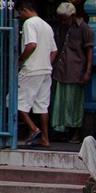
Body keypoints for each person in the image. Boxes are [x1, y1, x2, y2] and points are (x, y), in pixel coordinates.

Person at [15, 0, 58, 147]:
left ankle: (33, 128)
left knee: (14, 101)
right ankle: (45, 139)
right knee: (42, 106)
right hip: (46, 71)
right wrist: (46, 63)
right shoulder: (47, 26)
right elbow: (54, 51)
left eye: (20, 12)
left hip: (31, 70)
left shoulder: (29, 23)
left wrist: (21, 60)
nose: (19, 16)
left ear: (25, 9)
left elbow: (31, 44)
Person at [51, 2, 94, 143]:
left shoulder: (84, 28)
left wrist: (87, 72)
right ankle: (62, 132)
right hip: (61, 70)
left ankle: (75, 133)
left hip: (76, 72)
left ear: (73, 16)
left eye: (65, 18)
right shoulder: (62, 28)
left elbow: (89, 51)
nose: (62, 21)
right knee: (60, 104)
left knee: (74, 104)